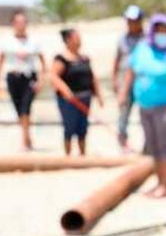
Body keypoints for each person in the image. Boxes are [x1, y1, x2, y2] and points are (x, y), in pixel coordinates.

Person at [119, 14, 166, 198]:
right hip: (145, 106)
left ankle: (165, 185)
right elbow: (131, 70)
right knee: (152, 146)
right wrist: (123, 93)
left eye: (165, 31)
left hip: (165, 106)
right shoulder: (143, 48)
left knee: (165, 146)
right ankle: (158, 182)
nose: (162, 34)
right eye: (158, 30)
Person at [50, 28, 104, 156]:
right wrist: (66, 90)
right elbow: (53, 76)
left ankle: (82, 154)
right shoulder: (62, 59)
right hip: (69, 100)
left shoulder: (84, 58)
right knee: (69, 128)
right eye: (77, 38)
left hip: (85, 97)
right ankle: (68, 155)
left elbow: (92, 77)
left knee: (83, 128)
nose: (79, 41)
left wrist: (99, 95)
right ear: (68, 40)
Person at [0, 10, 47, 150]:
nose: (21, 25)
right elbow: (1, 61)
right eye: (18, 22)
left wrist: (41, 81)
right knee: (18, 109)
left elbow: (43, 61)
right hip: (12, 77)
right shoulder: (6, 41)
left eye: (23, 22)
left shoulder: (34, 41)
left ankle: (25, 140)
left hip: (29, 78)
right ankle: (27, 137)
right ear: (13, 24)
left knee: (26, 108)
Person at [112, 5, 145, 153]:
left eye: (134, 20)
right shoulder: (122, 40)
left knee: (146, 113)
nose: (131, 23)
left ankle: (147, 144)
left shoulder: (147, 39)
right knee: (124, 113)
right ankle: (123, 143)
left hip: (143, 82)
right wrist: (114, 80)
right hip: (125, 81)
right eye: (129, 20)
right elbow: (117, 61)